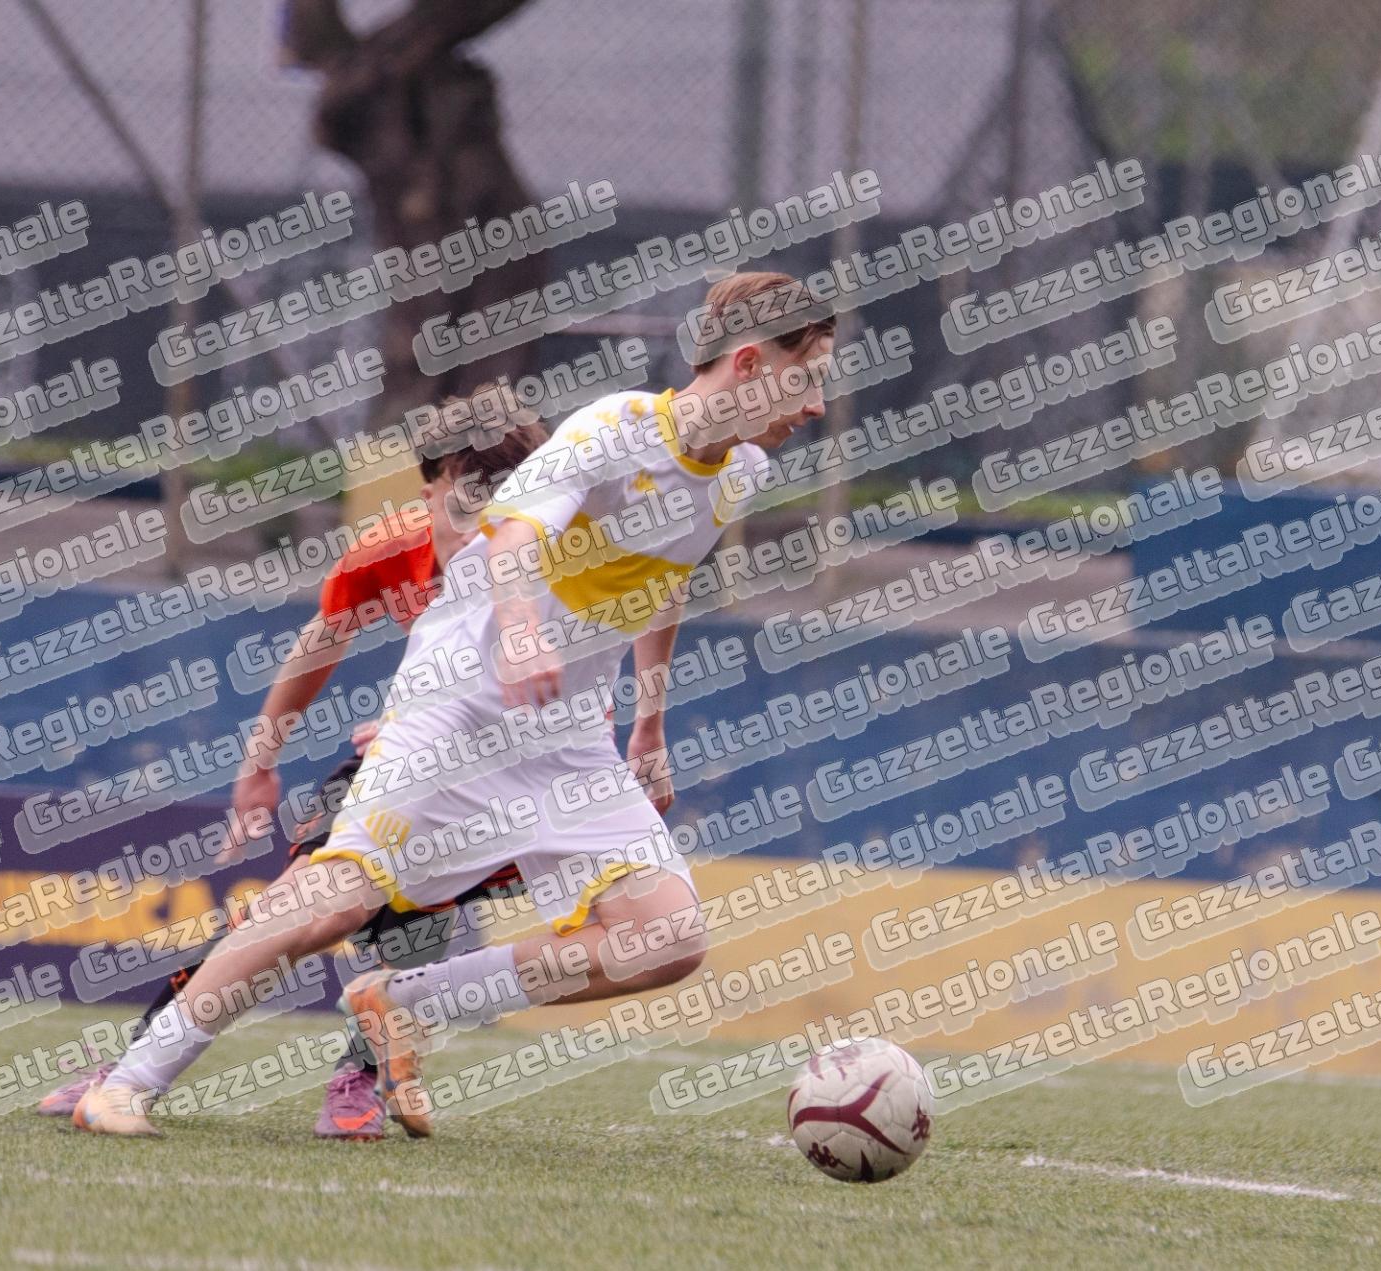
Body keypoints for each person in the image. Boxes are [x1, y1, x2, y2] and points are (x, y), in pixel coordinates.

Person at [72, 270, 834, 1137]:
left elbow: (667, 582)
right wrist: (519, 628)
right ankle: (126, 1084)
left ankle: (405, 1001)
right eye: (807, 377)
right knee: (335, 901)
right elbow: (511, 538)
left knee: (667, 937)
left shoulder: (740, 471)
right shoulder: (613, 428)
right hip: (459, 702)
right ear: (748, 363)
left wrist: (649, 725)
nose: (815, 405)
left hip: (567, 737)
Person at [42, 393, 545, 1139]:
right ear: (428, 488)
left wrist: (645, 738)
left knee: (430, 903)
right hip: (406, 759)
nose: (483, 519)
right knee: (292, 908)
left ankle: (360, 1075)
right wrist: (261, 761)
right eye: (465, 493)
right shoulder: (393, 547)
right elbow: (321, 640)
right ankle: (133, 1066)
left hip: (517, 776)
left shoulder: (555, 555)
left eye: (502, 495)